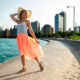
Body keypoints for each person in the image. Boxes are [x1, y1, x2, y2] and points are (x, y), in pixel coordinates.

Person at [10, 7, 44, 74]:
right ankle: (24, 68)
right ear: (21, 14)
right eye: (23, 13)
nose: (24, 14)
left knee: (31, 51)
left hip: (25, 38)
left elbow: (31, 31)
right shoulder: (18, 21)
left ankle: (39, 63)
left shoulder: (27, 21)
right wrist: (18, 12)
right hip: (19, 39)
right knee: (22, 53)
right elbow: (11, 16)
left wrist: (35, 39)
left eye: (25, 13)